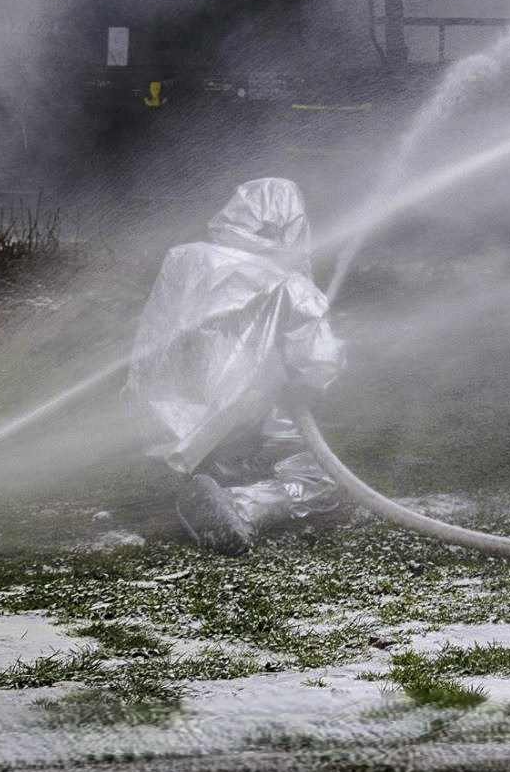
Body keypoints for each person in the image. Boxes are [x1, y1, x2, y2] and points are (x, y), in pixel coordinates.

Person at [125, 178, 345, 554]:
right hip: (247, 427)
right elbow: (318, 363)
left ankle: (211, 477)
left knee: (227, 451)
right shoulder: (292, 287)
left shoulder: (185, 258)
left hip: (177, 425)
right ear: (292, 224)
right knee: (321, 481)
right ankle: (240, 505)